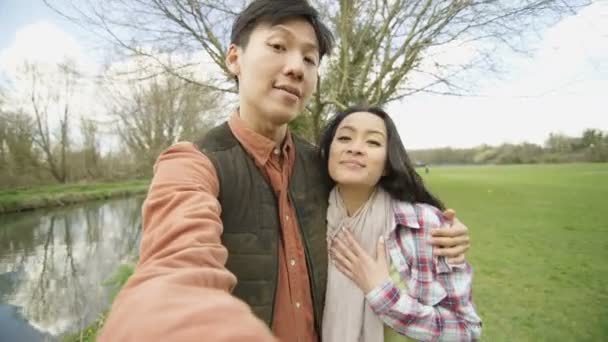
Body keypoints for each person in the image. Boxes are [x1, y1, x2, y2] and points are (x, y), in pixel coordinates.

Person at [99, 1, 472, 341]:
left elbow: (381, 201)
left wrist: (441, 230)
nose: (296, 68)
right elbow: (175, 273)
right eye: (278, 47)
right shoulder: (192, 164)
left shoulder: (324, 165)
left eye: (310, 60)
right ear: (234, 58)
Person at [319, 106, 482, 342]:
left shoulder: (426, 226)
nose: (355, 148)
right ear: (328, 152)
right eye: (344, 138)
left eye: (373, 142)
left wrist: (383, 295)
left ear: (386, 164)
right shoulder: (307, 219)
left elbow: (467, 331)